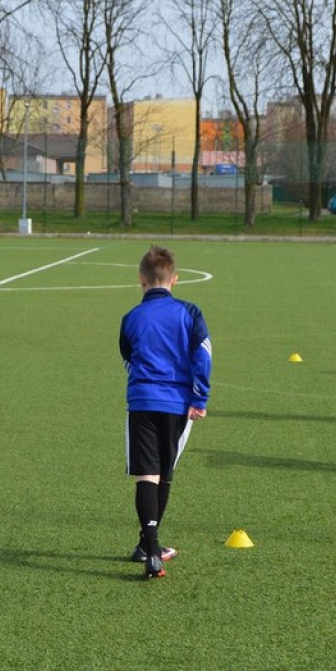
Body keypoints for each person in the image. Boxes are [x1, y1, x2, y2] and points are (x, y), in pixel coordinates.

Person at [120, 246, 212, 579]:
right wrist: (199, 398)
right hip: (178, 405)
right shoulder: (190, 312)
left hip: (142, 402)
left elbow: (127, 356)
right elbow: (203, 356)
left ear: (142, 280)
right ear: (174, 279)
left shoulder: (131, 317)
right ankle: (151, 548)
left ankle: (150, 547)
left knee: (146, 475)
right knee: (165, 472)